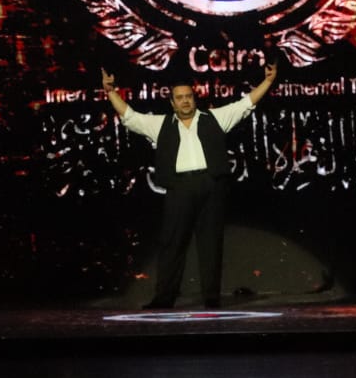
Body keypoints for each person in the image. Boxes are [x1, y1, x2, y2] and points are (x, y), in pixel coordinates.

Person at [102, 58, 278, 308]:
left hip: (210, 186)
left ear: (194, 99)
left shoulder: (214, 118)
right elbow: (129, 116)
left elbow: (245, 103)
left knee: (210, 243)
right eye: (180, 98)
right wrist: (110, 91)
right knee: (172, 244)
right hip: (179, 188)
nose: (185, 101)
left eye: (188, 96)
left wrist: (268, 81)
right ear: (172, 103)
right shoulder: (161, 124)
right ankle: (164, 298)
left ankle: (211, 298)